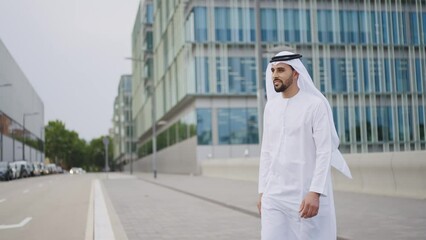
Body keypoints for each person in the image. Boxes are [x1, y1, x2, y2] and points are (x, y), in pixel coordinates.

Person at [257, 51, 352, 239]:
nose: (275, 75)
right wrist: (262, 191)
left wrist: (315, 192)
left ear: (296, 73)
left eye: (281, 70)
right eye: (273, 70)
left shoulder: (315, 105)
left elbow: (324, 152)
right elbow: (266, 151)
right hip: (274, 195)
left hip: (304, 195)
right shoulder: (271, 108)